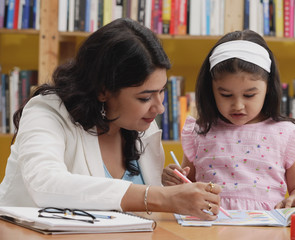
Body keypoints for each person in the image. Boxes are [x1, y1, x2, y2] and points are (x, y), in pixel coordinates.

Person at [0, 18, 221, 220]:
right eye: (144, 97)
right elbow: (45, 184)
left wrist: (165, 185)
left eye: (162, 91)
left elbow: (139, 209)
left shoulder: (140, 124)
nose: (160, 108)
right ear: (102, 91)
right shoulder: (46, 112)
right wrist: (162, 197)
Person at [162, 30, 295, 211]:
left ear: (267, 88)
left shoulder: (287, 133)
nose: (238, 105)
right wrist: (175, 181)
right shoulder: (201, 132)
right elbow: (189, 187)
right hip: (209, 229)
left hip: (266, 229)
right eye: (226, 95)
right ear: (211, 91)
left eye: (249, 95)